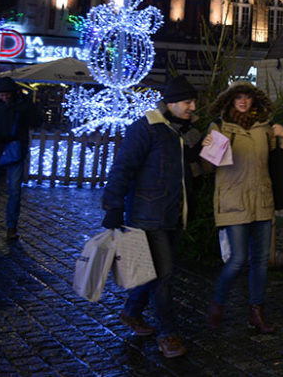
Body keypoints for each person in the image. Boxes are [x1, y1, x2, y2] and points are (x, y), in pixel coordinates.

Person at [101, 75, 203, 359]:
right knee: (164, 275)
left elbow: (188, 172)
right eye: (187, 102)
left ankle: (131, 312)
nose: (193, 106)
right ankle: (168, 334)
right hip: (148, 215)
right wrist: (113, 205)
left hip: (174, 214)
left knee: (155, 272)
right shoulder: (146, 128)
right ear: (170, 103)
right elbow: (123, 167)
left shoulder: (182, 132)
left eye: (193, 101)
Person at [203, 81, 283, 333]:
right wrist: (210, 147)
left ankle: (257, 313)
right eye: (238, 97)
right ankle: (218, 304)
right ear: (230, 100)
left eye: (247, 97)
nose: (243, 101)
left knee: (261, 261)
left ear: (254, 100)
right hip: (234, 202)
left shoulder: (264, 129)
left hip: (262, 201)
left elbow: (280, 162)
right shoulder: (220, 127)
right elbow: (209, 169)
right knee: (238, 259)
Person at [0, 78, 42, 241]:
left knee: (14, 192)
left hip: (12, 151)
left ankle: (10, 227)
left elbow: (36, 121)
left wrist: (26, 108)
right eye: (2, 95)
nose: (4, 97)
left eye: (7, 95)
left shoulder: (21, 105)